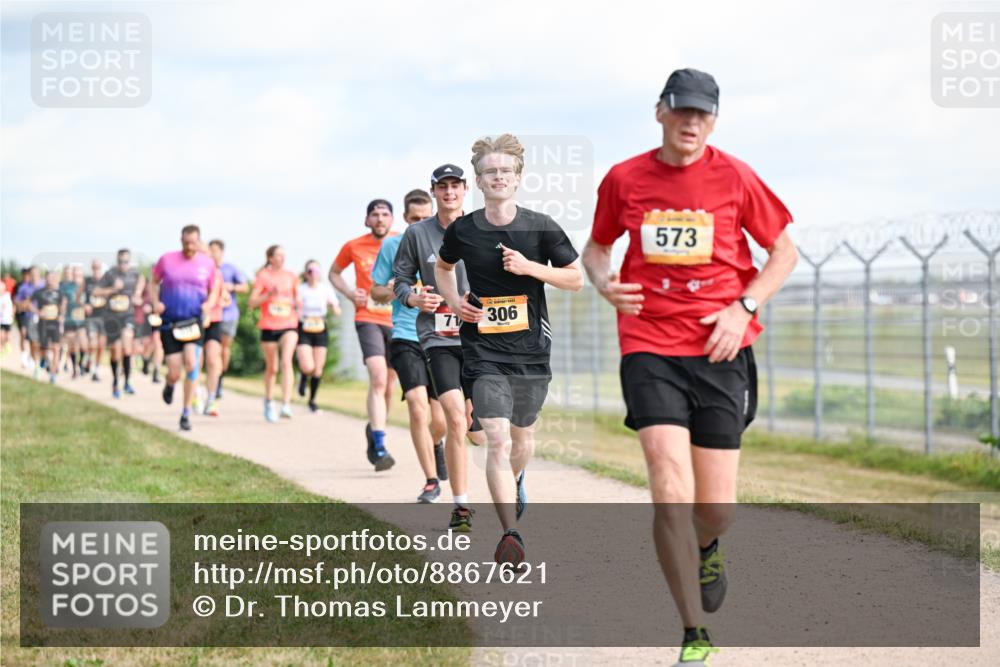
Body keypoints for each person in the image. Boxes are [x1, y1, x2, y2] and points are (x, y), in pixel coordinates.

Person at [582, 68, 797, 666]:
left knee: (716, 509)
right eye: (683, 111)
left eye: (704, 114)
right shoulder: (625, 178)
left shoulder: (735, 176)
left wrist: (744, 306)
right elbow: (596, 250)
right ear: (660, 112)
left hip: (720, 349)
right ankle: (694, 631)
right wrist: (605, 286)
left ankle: (708, 546)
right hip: (649, 344)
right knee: (667, 482)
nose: (692, 123)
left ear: (714, 120)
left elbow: (784, 251)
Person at [435, 135, 583, 552]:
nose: (497, 177)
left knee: (522, 437)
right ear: (478, 182)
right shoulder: (463, 229)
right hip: (482, 350)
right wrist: (453, 302)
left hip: (532, 349)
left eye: (505, 171)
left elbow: (575, 279)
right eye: (489, 172)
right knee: (496, 439)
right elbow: (444, 268)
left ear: (517, 178)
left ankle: (517, 478)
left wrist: (531, 267)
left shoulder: (540, 226)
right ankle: (509, 534)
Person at [394, 167, 489, 527]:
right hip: (438, 338)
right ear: (434, 191)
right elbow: (402, 279)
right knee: (452, 417)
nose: (449, 192)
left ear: (466, 189)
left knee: (479, 431)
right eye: (442, 186)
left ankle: (509, 478)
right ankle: (461, 507)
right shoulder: (417, 234)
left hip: (481, 338)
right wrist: (413, 298)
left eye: (455, 186)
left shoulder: (483, 228)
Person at [372, 188, 448, 502]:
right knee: (418, 408)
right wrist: (391, 291)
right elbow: (375, 291)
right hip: (405, 335)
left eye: (425, 217)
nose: (420, 222)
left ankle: (437, 443)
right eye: (414, 218)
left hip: (440, 336)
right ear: (405, 219)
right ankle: (430, 481)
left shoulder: (446, 243)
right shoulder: (392, 246)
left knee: (441, 420)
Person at [329, 199, 398, 470]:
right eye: (375, 215)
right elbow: (333, 273)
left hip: (397, 320)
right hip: (367, 317)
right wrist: (348, 293)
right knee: (378, 377)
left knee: (390, 385)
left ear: (392, 219)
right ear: (367, 220)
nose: (380, 219)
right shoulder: (354, 246)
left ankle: (375, 429)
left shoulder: (402, 242)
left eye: (385, 214)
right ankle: (380, 445)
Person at [152, 225, 218, 431]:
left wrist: (209, 304)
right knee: (174, 371)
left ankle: (186, 412)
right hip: (170, 321)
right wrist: (156, 301)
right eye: (186, 242)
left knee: (191, 363)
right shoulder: (167, 260)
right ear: (181, 240)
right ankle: (170, 384)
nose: (189, 247)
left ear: (199, 242)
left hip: (193, 322)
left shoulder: (207, 264)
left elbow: (214, 288)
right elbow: (153, 282)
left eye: (193, 243)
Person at [248, 245, 299, 422]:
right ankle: (269, 401)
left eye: (283, 255)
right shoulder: (263, 276)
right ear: (270, 258)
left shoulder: (291, 276)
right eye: (278, 255)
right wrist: (269, 294)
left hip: (289, 324)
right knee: (272, 368)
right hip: (269, 326)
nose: (282, 258)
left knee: (286, 362)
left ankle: (286, 404)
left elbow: (297, 299)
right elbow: (252, 302)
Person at [94, 248, 145, 398]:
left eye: (126, 261)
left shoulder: (134, 273)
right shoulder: (110, 274)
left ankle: (128, 382)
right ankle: (116, 381)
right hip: (112, 317)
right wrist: (112, 289)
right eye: (121, 262)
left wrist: (137, 293)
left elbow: (142, 279)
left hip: (127, 315)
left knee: (127, 346)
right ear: (117, 261)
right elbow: (96, 292)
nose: (124, 264)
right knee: (116, 352)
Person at [295, 259, 341, 412]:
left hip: (320, 327)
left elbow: (335, 305)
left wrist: (335, 308)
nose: (313, 274)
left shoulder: (325, 289)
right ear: (306, 274)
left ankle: (312, 401)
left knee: (317, 369)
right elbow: (295, 304)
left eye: (316, 271)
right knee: (308, 366)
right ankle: (302, 376)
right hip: (304, 327)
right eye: (310, 271)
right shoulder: (300, 289)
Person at [208, 239, 248, 399]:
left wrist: (232, 287)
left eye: (214, 250)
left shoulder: (230, 269)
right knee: (211, 350)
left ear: (221, 252)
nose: (212, 253)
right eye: (210, 250)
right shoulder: (206, 268)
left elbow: (245, 287)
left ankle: (220, 380)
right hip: (211, 314)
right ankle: (210, 381)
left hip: (228, 314)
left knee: (223, 350)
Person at [31, 270, 65, 384]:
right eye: (48, 278)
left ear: (55, 279)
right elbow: (29, 303)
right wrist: (37, 311)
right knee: (43, 348)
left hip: (54, 324)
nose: (50, 280)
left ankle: (53, 375)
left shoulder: (59, 293)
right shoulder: (39, 292)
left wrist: (61, 314)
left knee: (56, 348)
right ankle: (44, 362)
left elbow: (63, 304)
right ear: (45, 279)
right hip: (43, 324)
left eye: (52, 278)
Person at [60, 266, 87, 379]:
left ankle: (81, 364)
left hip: (83, 320)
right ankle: (75, 369)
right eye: (74, 274)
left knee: (84, 345)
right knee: (72, 345)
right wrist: (61, 317)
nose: (76, 276)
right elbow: (63, 303)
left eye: (79, 274)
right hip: (70, 319)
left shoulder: (86, 287)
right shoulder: (67, 287)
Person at [83, 259, 107, 380]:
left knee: (101, 346)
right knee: (93, 342)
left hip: (104, 317)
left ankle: (96, 370)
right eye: (94, 267)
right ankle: (88, 359)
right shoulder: (87, 281)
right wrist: (84, 305)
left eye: (98, 267)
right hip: (91, 317)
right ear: (92, 268)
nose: (96, 269)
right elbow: (79, 297)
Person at [15, 266, 43, 370]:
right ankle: (30, 357)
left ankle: (37, 357)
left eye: (36, 274)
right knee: (31, 338)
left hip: (44, 317)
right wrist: (24, 304)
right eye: (32, 275)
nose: (34, 276)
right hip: (28, 316)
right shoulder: (24, 287)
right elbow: (17, 301)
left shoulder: (44, 285)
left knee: (40, 340)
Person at [0, 281, 13, 354]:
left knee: (7, 336)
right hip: (1, 320)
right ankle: (1, 348)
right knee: (1, 335)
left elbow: (9, 307)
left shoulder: (7, 296)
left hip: (7, 319)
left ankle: (6, 345)